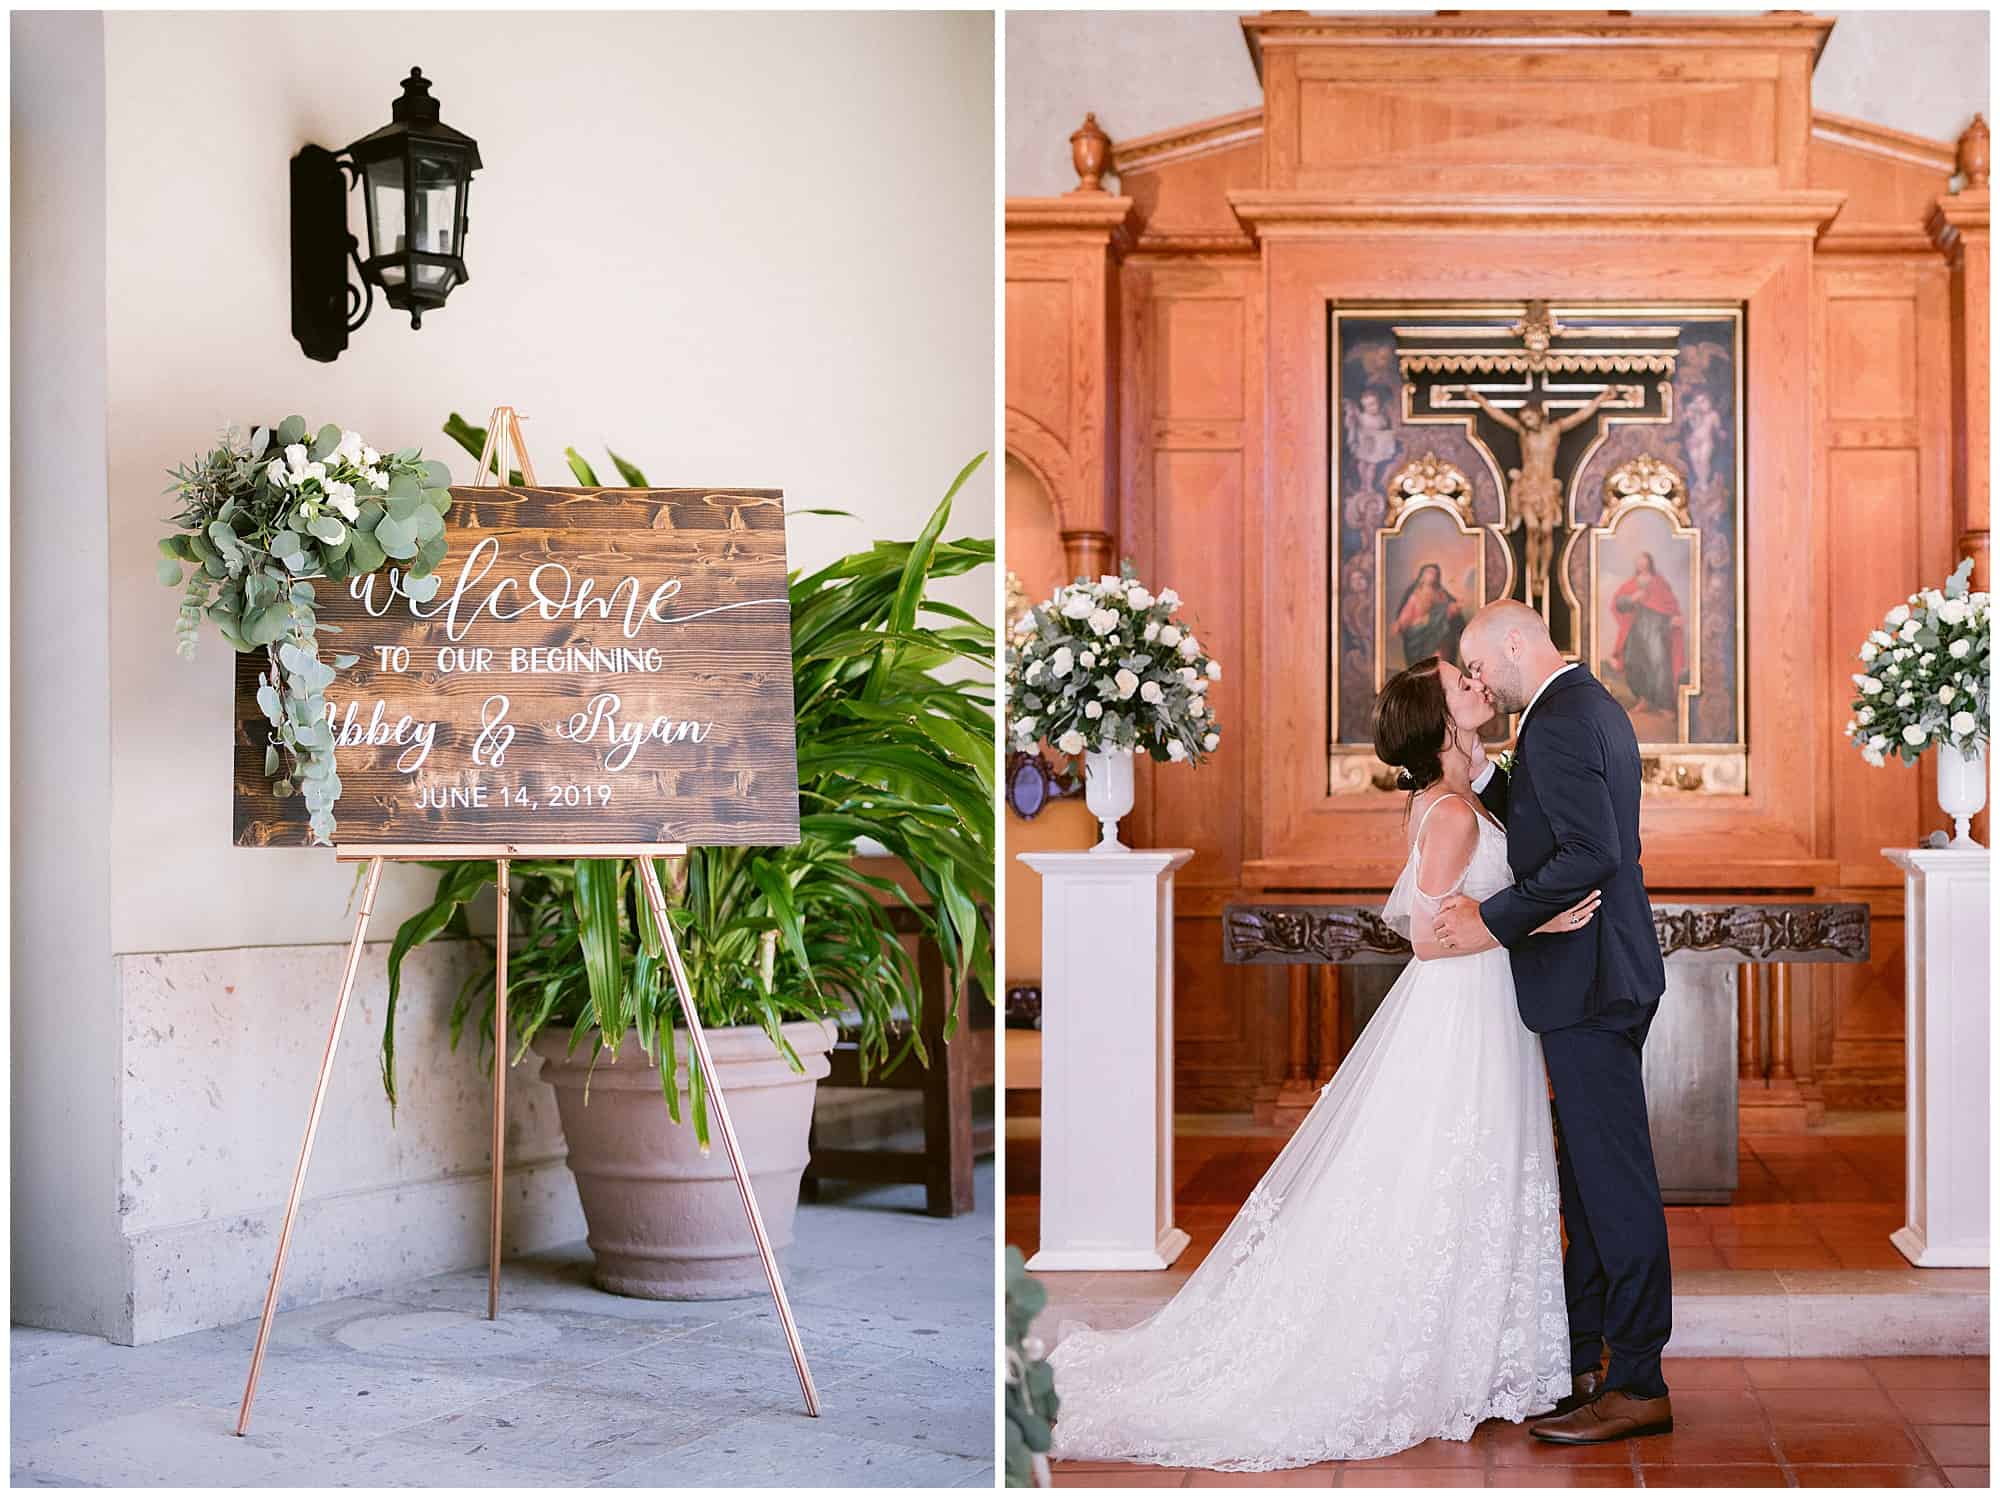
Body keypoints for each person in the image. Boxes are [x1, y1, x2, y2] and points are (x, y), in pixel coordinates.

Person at [1045, 656, 1602, 1471]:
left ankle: (1475, 1358)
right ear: (1437, 718)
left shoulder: (1457, 798)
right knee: (1450, 1174)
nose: (1477, 685)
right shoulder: (1448, 814)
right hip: (1462, 1013)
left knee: (1467, 1177)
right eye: (1461, 683)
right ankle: (1444, 1359)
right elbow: (1422, 935)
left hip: (1483, 1008)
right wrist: (1536, 925)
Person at [1434, 600, 1674, 1445]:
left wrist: (1495, 919)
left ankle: (1638, 1380)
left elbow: (1591, 851)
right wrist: (1483, 754)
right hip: (1599, 974)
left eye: (1477, 665)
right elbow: (1547, 818)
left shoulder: (1564, 716)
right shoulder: (1573, 706)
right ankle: (1590, 1363)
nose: (1477, 682)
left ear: (1511, 643)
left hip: (1593, 978)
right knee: (1592, 1182)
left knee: (1615, 1185)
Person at [1608, 552, 1685, 714]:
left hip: (1656, 628)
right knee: (1633, 662)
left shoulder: (1659, 583)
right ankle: (1644, 699)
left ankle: (1664, 704)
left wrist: (1670, 621)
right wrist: (1632, 599)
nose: (1641, 566)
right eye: (1639, 563)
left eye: (1644, 563)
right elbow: (1618, 603)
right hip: (1636, 630)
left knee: (1658, 663)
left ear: (1650, 563)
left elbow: (1669, 605)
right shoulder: (1631, 584)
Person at [1393, 561, 1466, 666]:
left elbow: (1450, 610)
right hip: (1420, 636)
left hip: (1439, 638)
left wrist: (1452, 609)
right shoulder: (1416, 594)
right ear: (1422, 576)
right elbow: (1407, 615)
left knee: (1440, 660)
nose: (1432, 575)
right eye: (1429, 572)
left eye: (1435, 573)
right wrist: (1400, 624)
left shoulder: (1442, 594)